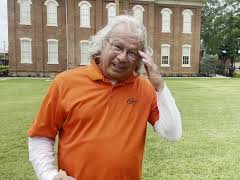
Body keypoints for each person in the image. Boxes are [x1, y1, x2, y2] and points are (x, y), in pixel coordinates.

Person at [27, 15, 182, 180]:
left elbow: (172, 133)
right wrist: (48, 175)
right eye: (117, 47)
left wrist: (159, 86)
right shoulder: (65, 82)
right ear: (103, 44)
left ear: (140, 58)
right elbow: (41, 136)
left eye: (131, 52)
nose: (122, 57)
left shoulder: (145, 89)